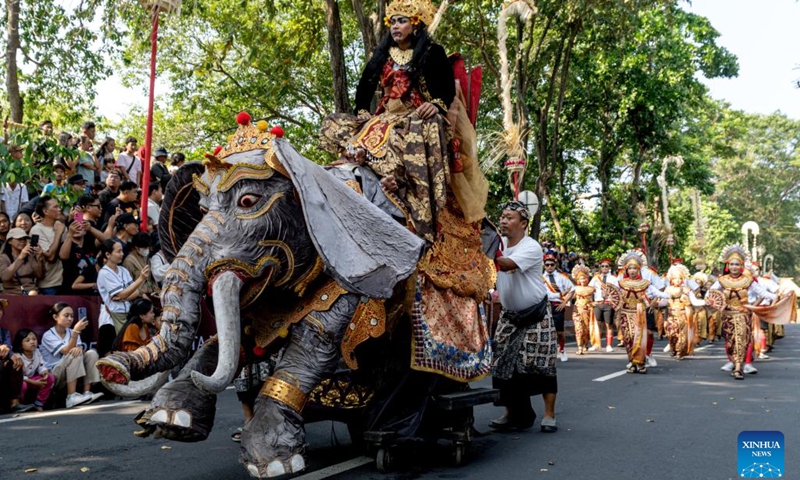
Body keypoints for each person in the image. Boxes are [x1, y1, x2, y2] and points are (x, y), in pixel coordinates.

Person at [490, 201, 558, 433]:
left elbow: (507, 265)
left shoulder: (531, 246)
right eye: (502, 217)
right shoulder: (499, 245)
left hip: (536, 314)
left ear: (523, 223)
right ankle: (511, 413)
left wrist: (486, 250)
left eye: (509, 218)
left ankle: (549, 414)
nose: (503, 221)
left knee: (542, 364)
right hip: (509, 316)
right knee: (502, 364)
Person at [706, 245, 776, 380]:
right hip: (727, 316)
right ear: (728, 265)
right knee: (730, 342)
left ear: (741, 265)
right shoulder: (722, 280)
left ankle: (738, 368)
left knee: (741, 340)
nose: (734, 267)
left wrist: (779, 296)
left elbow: (762, 293)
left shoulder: (748, 280)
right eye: (732, 264)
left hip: (743, 315)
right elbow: (710, 294)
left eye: (737, 264)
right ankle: (735, 362)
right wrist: (710, 300)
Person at [40, 302, 103, 408]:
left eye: (72, 316)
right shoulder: (48, 335)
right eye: (66, 315)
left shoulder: (72, 332)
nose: (70, 319)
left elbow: (79, 350)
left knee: (91, 353)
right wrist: (75, 332)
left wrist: (77, 343)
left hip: (71, 371)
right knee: (73, 354)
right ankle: (71, 396)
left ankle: (87, 393)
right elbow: (65, 351)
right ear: (56, 317)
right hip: (55, 374)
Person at [615, 250, 669, 374]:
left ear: (639, 269)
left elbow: (659, 293)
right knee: (628, 339)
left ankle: (641, 362)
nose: (632, 271)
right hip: (625, 314)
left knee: (639, 338)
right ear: (626, 270)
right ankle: (633, 362)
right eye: (630, 268)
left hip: (639, 313)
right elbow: (613, 294)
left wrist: (673, 294)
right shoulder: (621, 283)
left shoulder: (645, 283)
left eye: (634, 268)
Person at [96, 239, 150, 356]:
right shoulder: (104, 273)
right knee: (115, 353)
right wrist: (140, 279)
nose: (122, 254)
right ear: (108, 255)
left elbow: (135, 292)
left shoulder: (123, 270)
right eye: (118, 251)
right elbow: (123, 294)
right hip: (112, 317)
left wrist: (124, 296)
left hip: (127, 314)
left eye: (122, 251)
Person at [663, 264, 701, 359]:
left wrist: (706, 301)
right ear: (671, 279)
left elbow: (695, 301)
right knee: (671, 334)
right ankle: (673, 348)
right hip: (671, 315)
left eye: (680, 278)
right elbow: (662, 302)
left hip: (683, 315)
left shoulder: (687, 290)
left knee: (682, 335)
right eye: (675, 278)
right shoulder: (667, 290)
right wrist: (653, 303)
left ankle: (680, 351)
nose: (677, 280)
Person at [30, 196, 66, 295]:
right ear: (45, 211)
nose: (59, 209)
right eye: (55, 207)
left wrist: (78, 214)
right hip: (49, 284)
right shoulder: (36, 230)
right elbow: (50, 256)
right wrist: (58, 234)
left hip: (65, 280)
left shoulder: (59, 224)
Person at [1, 299, 31, 413]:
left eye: (0, 309)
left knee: (16, 361)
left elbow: (8, 347)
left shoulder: (4, 332)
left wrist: (12, 355)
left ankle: (15, 404)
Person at [542, 253, 574, 362]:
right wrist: (560, 294)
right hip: (544, 306)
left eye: (552, 264)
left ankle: (562, 350)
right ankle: (550, 351)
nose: (549, 267)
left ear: (555, 265)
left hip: (557, 306)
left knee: (559, 331)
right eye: (547, 265)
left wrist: (564, 302)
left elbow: (572, 289)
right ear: (544, 265)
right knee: (546, 331)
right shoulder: (540, 278)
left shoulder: (562, 277)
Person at [14, 328, 54, 411]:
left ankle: (39, 402)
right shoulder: (18, 356)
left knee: (50, 378)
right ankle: (20, 405)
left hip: (33, 379)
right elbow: (19, 376)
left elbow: (41, 365)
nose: (32, 342)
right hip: (23, 380)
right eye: (27, 340)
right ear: (20, 344)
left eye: (34, 339)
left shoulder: (37, 352)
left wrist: (44, 372)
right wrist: (33, 382)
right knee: (22, 385)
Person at [0, 228, 45, 294]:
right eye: (19, 239)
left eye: (24, 239)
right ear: (10, 241)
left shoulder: (29, 255)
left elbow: (39, 275)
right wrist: (20, 257)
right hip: (12, 293)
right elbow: (5, 277)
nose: (22, 241)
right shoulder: (3, 257)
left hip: (31, 292)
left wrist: (40, 258)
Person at [589, 259, 619, 352]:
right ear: (600, 268)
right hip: (598, 303)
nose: (604, 268)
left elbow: (617, 292)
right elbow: (589, 290)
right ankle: (596, 344)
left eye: (606, 266)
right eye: (602, 266)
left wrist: (611, 297)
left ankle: (609, 345)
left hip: (608, 304)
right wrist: (591, 301)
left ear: (609, 268)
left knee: (608, 325)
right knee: (597, 324)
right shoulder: (596, 278)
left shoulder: (614, 279)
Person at [122, 232, 159, 297]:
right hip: (139, 296)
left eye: (148, 247)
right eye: (145, 248)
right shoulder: (129, 262)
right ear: (136, 247)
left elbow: (151, 278)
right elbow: (128, 286)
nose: (147, 250)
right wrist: (141, 294)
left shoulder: (146, 257)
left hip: (152, 293)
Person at [570, 265, 596, 356]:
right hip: (577, 311)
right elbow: (570, 298)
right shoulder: (575, 289)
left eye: (584, 278)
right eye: (581, 278)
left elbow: (594, 300)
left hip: (588, 311)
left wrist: (591, 304)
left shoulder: (592, 289)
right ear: (578, 280)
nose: (583, 280)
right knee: (578, 329)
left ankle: (585, 344)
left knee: (586, 330)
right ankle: (579, 347)